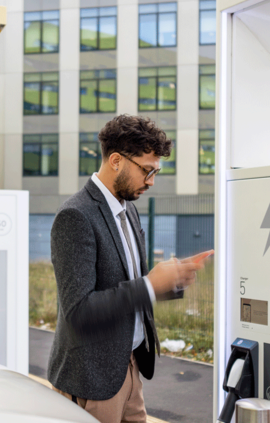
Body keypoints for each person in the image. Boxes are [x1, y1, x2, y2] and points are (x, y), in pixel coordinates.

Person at [48, 114, 214, 423]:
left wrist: (171, 280)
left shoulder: (129, 209)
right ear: (115, 160)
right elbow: (78, 312)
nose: (151, 181)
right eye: (146, 170)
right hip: (92, 381)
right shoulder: (75, 216)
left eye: (156, 172)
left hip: (130, 369)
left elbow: (128, 285)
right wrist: (151, 285)